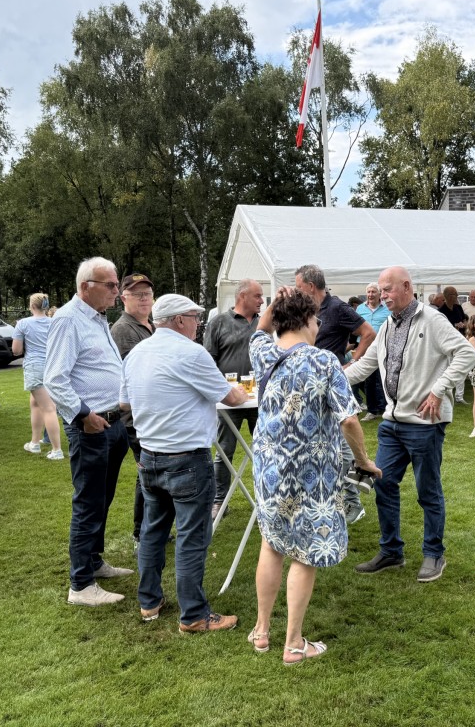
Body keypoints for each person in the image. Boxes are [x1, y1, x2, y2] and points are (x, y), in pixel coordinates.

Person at [249, 288, 381, 664]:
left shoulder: (263, 354)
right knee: (305, 554)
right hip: (313, 475)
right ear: (309, 321)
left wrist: (275, 302)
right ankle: (293, 644)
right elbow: (350, 420)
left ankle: (261, 631)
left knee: (272, 543)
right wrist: (365, 461)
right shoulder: (324, 362)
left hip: (270, 468)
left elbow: (259, 331)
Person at [120, 293, 247, 633]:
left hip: (150, 455)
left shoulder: (137, 353)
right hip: (187, 457)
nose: (198, 323)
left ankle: (149, 601)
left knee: (153, 530)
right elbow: (232, 397)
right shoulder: (191, 353)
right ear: (178, 320)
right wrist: (246, 393)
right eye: (194, 317)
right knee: (192, 536)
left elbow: (123, 402)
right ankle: (193, 615)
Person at [347, 266, 475, 583]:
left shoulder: (432, 320)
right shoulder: (389, 325)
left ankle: (434, 555)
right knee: (384, 482)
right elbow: (364, 365)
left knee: (427, 491)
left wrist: (438, 390)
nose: (382, 296)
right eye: (379, 290)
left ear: (406, 287)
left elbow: (466, 353)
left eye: (387, 290)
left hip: (425, 423)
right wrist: (325, 377)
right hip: (392, 423)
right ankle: (392, 551)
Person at [45, 257, 133, 607]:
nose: (117, 291)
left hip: (112, 422)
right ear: (86, 287)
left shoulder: (95, 318)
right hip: (91, 426)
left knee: (102, 499)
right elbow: (55, 378)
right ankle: (80, 585)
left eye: (116, 284)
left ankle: (93, 562)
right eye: (110, 285)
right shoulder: (68, 319)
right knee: (88, 503)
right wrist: (83, 415)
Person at [294, 264, 375, 526]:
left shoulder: (338, 307)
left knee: (342, 442)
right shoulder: (307, 310)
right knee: (319, 442)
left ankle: (352, 501)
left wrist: (352, 361)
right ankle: (328, 497)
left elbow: (368, 333)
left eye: (298, 286)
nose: (297, 291)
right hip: (310, 386)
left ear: (309, 286)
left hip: (332, 382)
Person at [204, 278, 264, 520]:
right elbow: (208, 360)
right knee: (224, 451)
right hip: (229, 399)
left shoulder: (264, 322)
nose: (262, 300)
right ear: (242, 297)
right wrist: (223, 390)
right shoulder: (218, 322)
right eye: (257, 296)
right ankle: (220, 501)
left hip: (261, 399)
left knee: (265, 449)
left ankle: (265, 497)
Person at [110, 273, 155, 546]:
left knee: (151, 473)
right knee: (146, 474)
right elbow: (133, 378)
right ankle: (141, 533)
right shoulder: (123, 330)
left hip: (149, 414)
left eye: (147, 294)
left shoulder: (149, 326)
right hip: (135, 418)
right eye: (137, 294)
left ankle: (151, 528)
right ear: (123, 297)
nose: (143, 299)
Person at [12, 293, 64, 459]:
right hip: (52, 366)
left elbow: (16, 350)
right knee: (35, 403)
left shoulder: (23, 324)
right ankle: (35, 443)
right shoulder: (54, 322)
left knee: (48, 408)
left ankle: (57, 450)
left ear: (32, 306)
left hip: (35, 367)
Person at [355, 282, 390, 420]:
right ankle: (372, 409)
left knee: (383, 378)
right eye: (368, 292)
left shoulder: (387, 308)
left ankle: (385, 407)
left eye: (373, 292)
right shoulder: (360, 309)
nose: (370, 295)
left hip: (384, 347)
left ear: (379, 293)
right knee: (368, 379)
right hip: (365, 348)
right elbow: (355, 327)